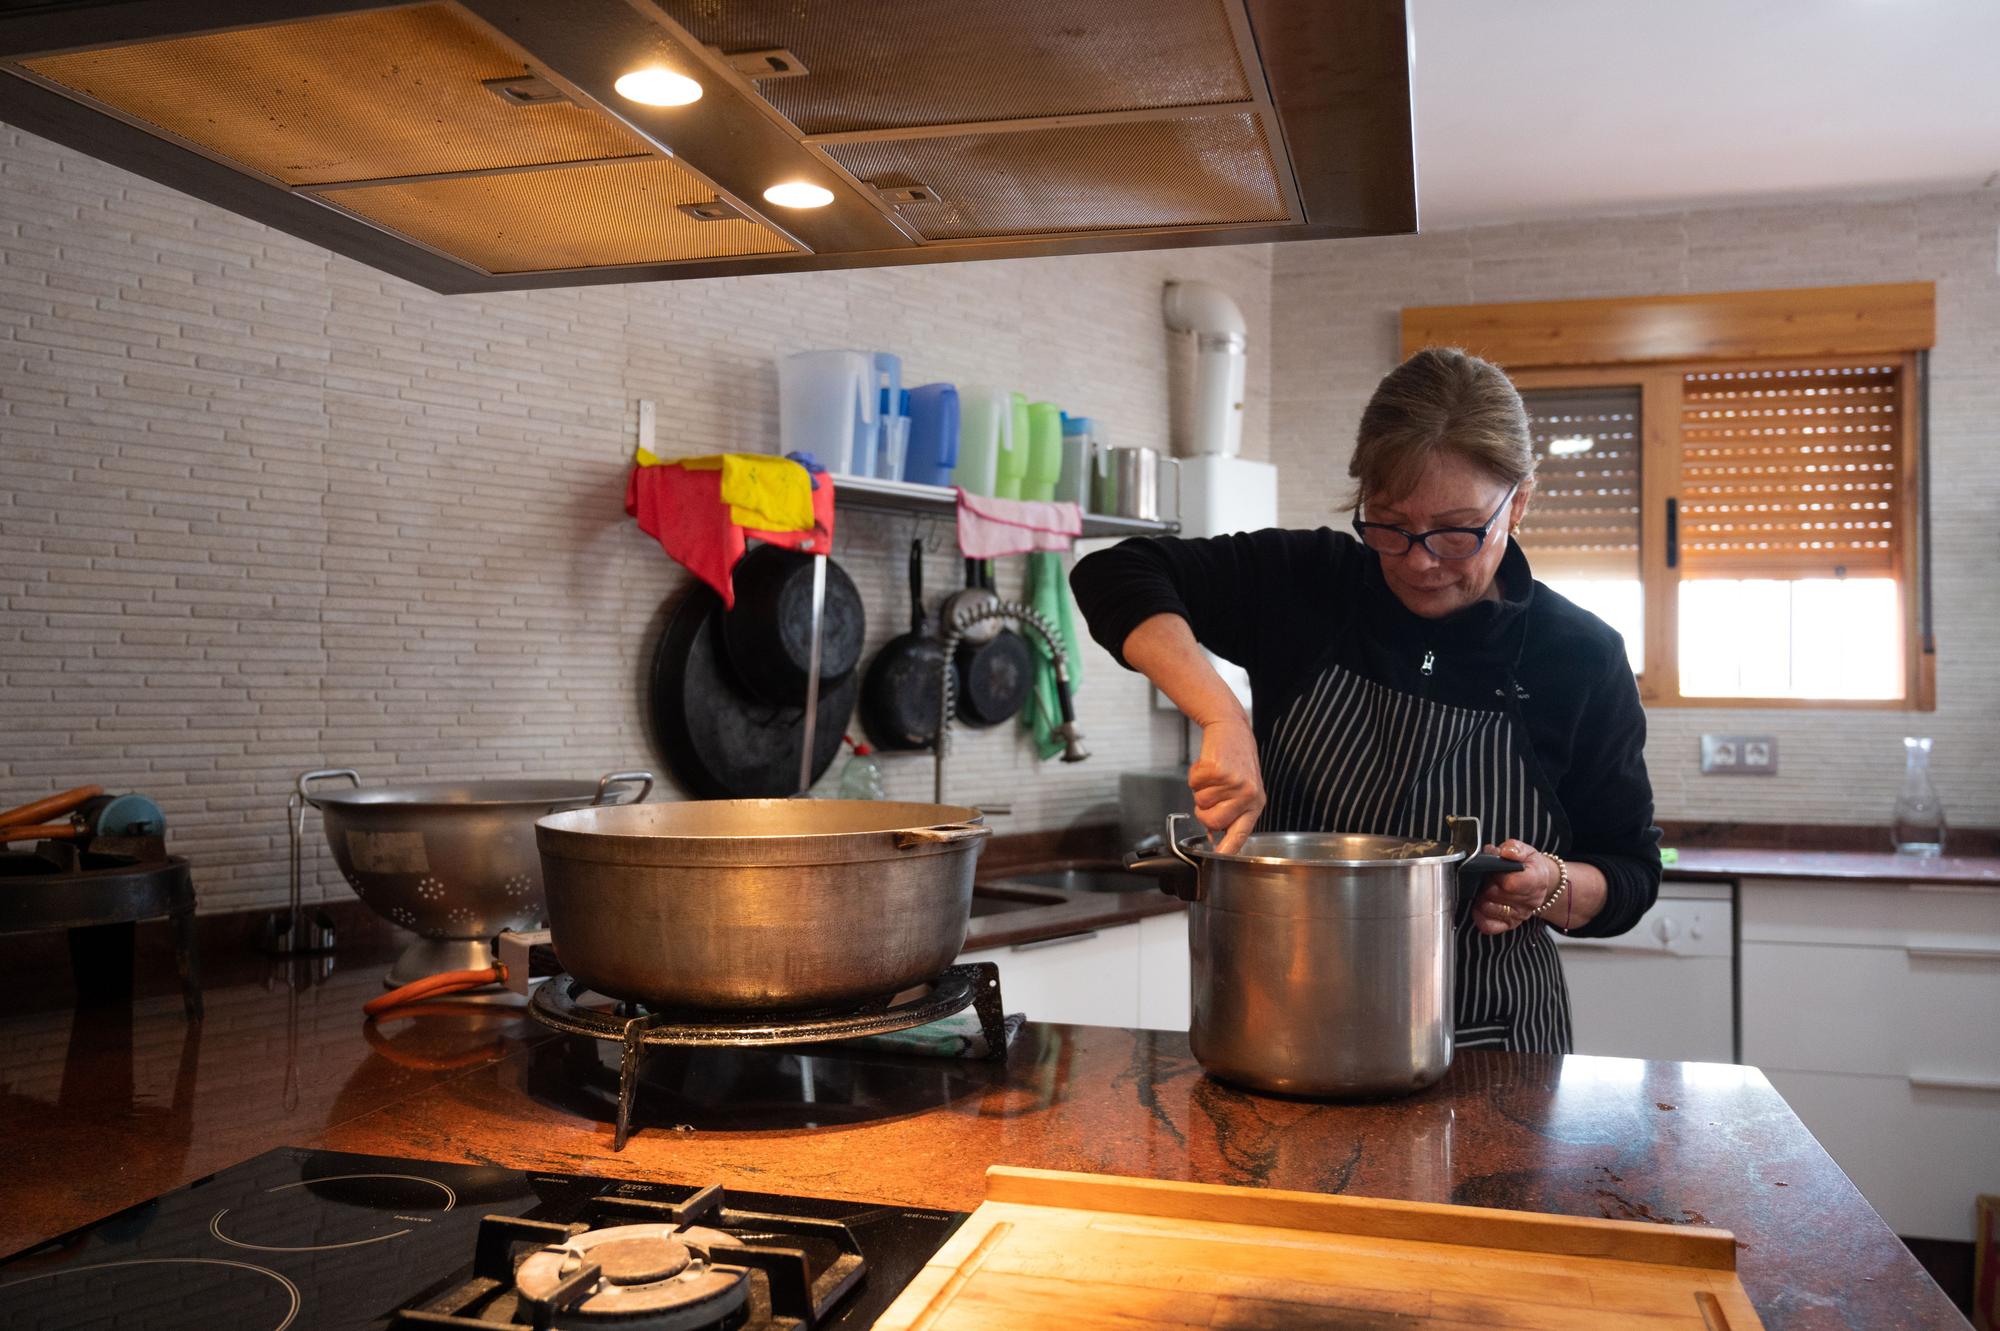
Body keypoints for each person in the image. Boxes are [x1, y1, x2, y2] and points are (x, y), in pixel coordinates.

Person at [1071, 347, 1660, 1053]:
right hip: (1283, 1035)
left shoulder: (1579, 656)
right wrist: (1220, 714)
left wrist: (1553, 883)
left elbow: (1630, 874)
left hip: (1491, 1049)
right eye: (1388, 524)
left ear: (1520, 502)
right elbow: (1115, 573)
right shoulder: (1311, 584)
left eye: (1456, 530)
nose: (1419, 559)